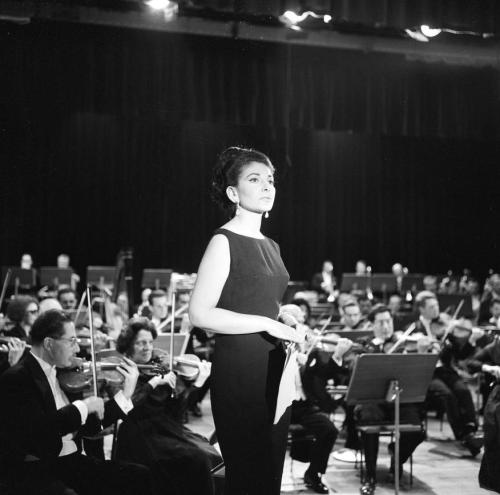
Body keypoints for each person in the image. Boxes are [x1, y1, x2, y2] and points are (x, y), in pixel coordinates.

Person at [188, 146, 303, 495]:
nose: (267, 186)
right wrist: (268, 324)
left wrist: (284, 315)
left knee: (269, 475)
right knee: (248, 476)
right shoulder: (223, 241)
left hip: (274, 369)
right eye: (255, 179)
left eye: (270, 180)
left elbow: (262, 303)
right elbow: (201, 314)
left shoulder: (272, 245)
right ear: (233, 192)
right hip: (240, 373)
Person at [0, 309, 152, 495]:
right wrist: (84, 406)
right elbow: (39, 434)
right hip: (39, 468)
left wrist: (126, 394)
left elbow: (89, 428)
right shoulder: (17, 378)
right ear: (48, 343)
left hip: (71, 462)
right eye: (71, 341)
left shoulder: (65, 375)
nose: (78, 349)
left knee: (140, 475)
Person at [115, 317, 221, 495]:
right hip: (140, 434)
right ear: (129, 345)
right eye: (141, 342)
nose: (148, 347)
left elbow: (177, 410)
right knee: (198, 459)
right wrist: (154, 382)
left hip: (167, 429)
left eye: (150, 342)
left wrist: (198, 382)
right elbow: (129, 408)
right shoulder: (123, 371)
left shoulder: (159, 367)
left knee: (211, 454)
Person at [356, 305, 425, 495]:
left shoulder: (402, 343)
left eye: (389, 321)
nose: (386, 326)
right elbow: (355, 369)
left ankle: (397, 455)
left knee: (418, 429)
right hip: (372, 401)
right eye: (381, 322)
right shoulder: (364, 344)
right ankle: (370, 477)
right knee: (369, 419)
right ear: (372, 325)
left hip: (399, 400)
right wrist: (374, 349)